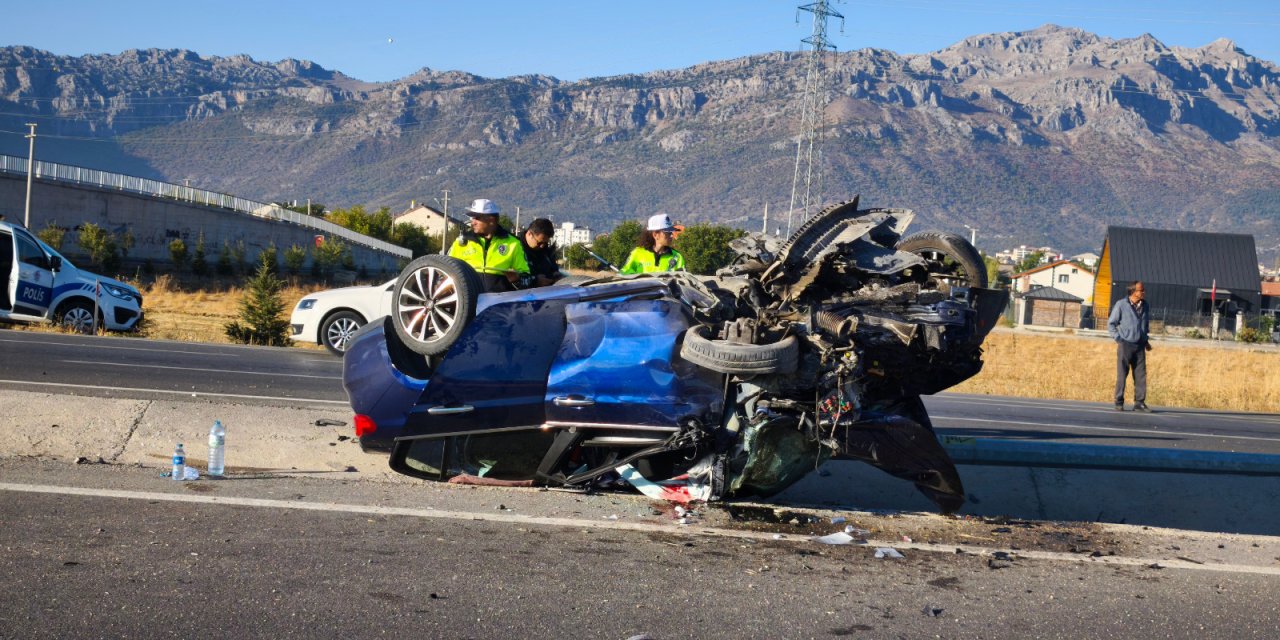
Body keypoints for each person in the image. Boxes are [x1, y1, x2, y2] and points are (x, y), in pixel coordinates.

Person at [447, 198, 529, 293]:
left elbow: (526, 277)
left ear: (491, 220)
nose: (473, 222)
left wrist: (515, 279)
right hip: (467, 303)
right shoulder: (461, 241)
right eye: (472, 218)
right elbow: (446, 269)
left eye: (477, 218)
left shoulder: (513, 243)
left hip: (498, 304)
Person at [1108, 280, 1152, 412]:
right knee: (1122, 374)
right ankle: (1119, 401)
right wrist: (1119, 339)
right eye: (1141, 290)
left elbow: (1145, 326)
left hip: (1140, 346)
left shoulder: (1145, 305)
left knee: (1140, 375)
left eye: (1143, 290)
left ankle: (1139, 403)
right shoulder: (1121, 305)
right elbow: (1111, 324)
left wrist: (1146, 341)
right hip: (1125, 345)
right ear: (1133, 291)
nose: (1143, 292)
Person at [620, 214, 685, 274]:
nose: (671, 236)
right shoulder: (637, 254)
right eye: (668, 233)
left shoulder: (677, 257)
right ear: (655, 235)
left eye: (671, 233)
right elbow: (625, 274)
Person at [520, 218, 562, 287]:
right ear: (529, 234)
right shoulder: (514, 248)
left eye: (545, 243)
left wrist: (556, 276)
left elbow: (553, 269)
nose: (542, 246)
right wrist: (534, 281)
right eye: (539, 243)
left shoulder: (546, 252)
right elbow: (511, 277)